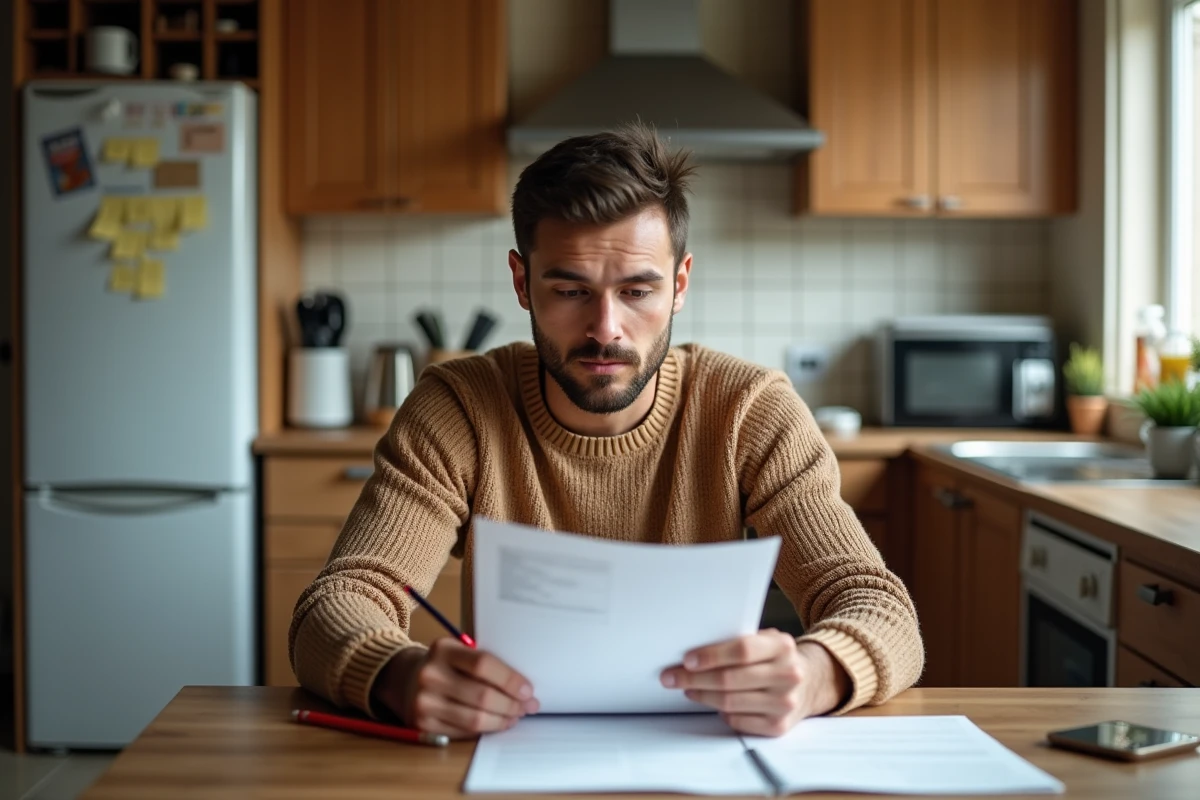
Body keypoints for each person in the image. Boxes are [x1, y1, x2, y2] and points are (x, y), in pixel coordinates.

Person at [289, 122, 924, 740]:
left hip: (700, 757)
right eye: (570, 290)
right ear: (521, 282)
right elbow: (340, 601)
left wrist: (815, 673)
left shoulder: (748, 410)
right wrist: (399, 674)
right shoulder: (457, 407)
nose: (605, 329)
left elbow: (875, 604)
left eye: (637, 292)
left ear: (679, 286)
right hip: (515, 754)